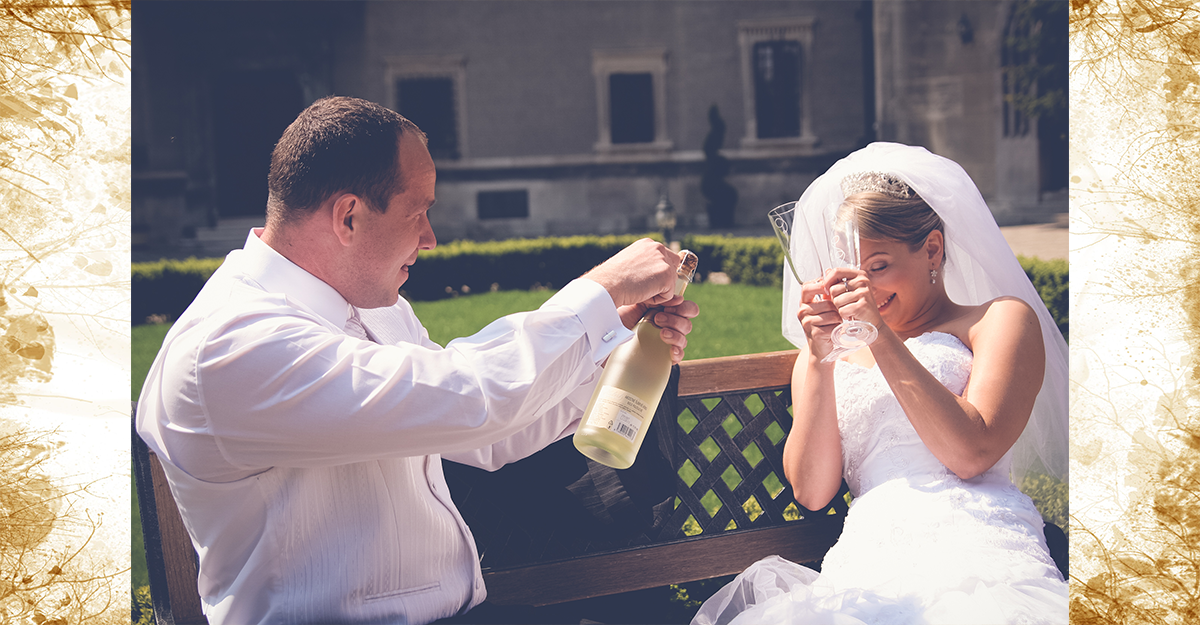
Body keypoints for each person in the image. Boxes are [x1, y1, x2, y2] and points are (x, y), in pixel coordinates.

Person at [135, 96, 699, 625]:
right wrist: (600, 290)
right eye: (418, 212)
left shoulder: (373, 308)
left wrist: (613, 350)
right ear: (348, 216)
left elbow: (486, 436)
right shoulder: (228, 347)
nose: (430, 238)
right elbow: (469, 397)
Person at [691, 142, 1068, 625]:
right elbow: (811, 491)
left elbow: (972, 453)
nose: (863, 287)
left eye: (880, 267)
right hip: (868, 558)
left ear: (932, 249)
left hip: (980, 545)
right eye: (853, 271)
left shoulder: (999, 320)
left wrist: (880, 336)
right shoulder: (821, 357)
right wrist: (821, 360)